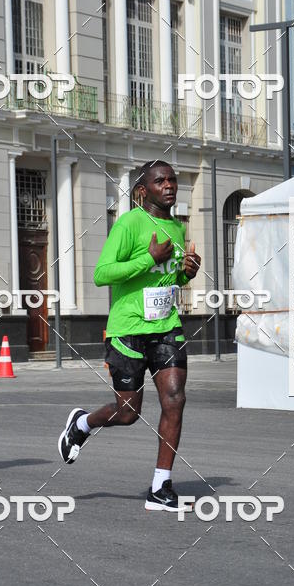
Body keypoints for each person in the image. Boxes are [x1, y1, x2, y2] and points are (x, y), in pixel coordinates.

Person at [58, 160, 201, 511]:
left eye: (172, 180)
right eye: (160, 181)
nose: (168, 186)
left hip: (166, 326)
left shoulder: (178, 229)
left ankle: (160, 485)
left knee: (175, 399)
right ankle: (81, 424)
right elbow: (102, 273)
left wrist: (186, 273)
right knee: (128, 412)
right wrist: (148, 260)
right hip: (128, 330)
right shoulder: (129, 223)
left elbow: (170, 279)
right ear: (143, 190)